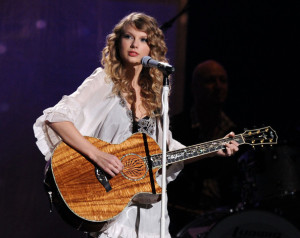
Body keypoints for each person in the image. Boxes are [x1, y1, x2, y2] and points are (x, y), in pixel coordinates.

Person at [33, 13, 239, 238]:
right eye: (128, 37)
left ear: (152, 49)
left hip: (150, 217)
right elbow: (57, 117)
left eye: (143, 39)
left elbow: (167, 150)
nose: (134, 44)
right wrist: (97, 155)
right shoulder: (105, 81)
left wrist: (212, 149)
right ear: (118, 42)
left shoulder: (156, 97)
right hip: (112, 207)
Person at [168, 60, 242, 235]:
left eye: (222, 80)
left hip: (223, 220)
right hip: (179, 217)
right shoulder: (177, 127)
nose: (218, 86)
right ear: (195, 87)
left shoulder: (236, 131)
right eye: (210, 81)